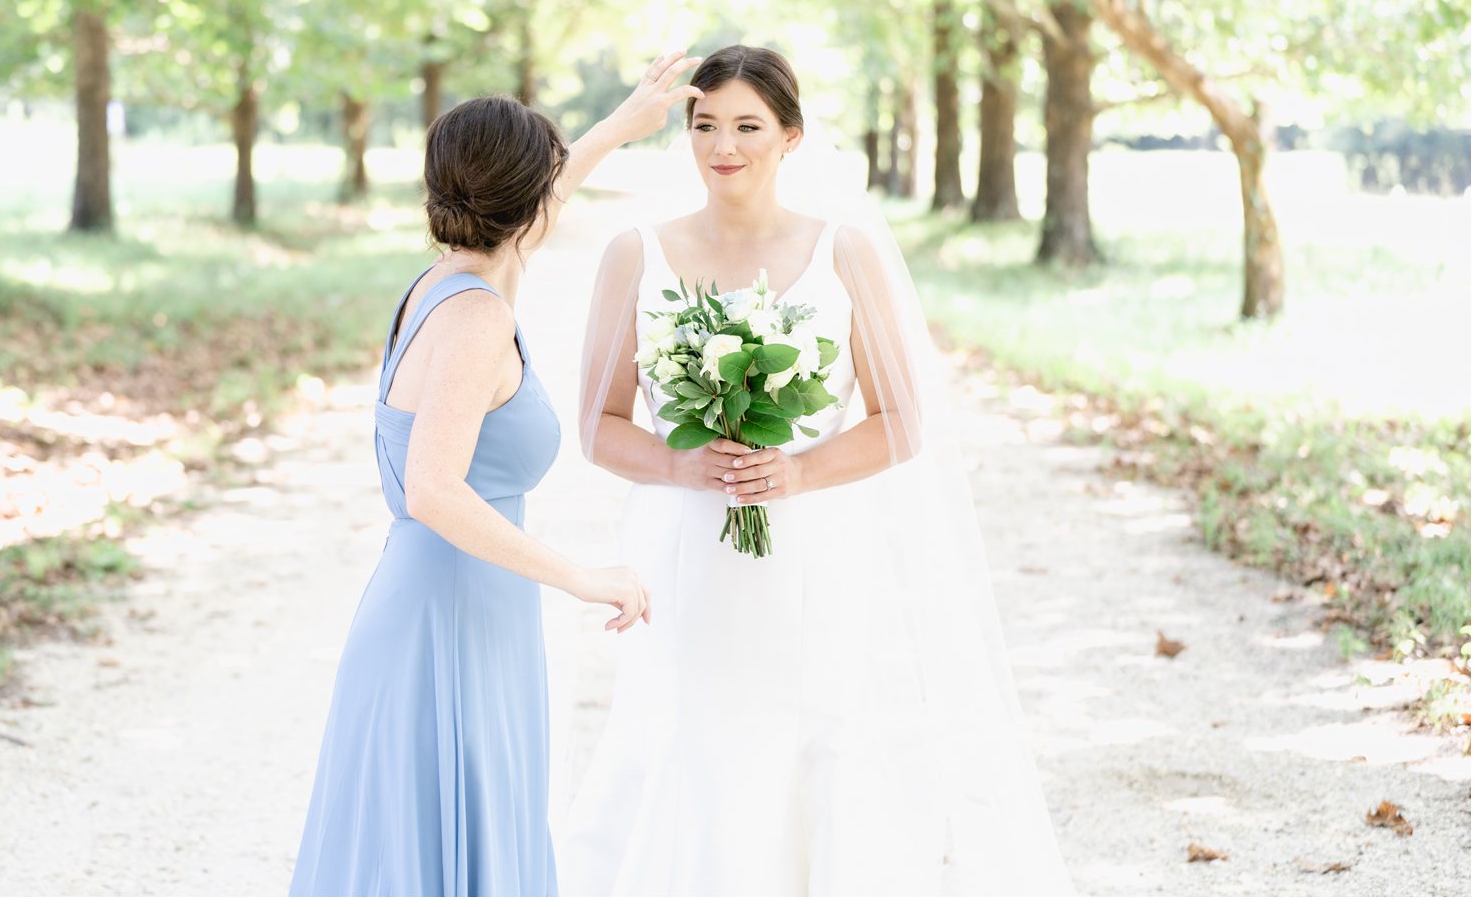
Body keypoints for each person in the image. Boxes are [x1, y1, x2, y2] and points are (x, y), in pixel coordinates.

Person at [562, 44, 1073, 895]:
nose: (724, 145)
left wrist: (795, 475)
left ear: (791, 137)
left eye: (747, 126)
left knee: (814, 738)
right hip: (687, 550)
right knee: (693, 734)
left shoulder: (845, 253)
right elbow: (597, 426)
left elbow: (902, 422)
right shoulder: (635, 254)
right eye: (705, 125)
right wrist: (682, 466)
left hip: (813, 551)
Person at [289, 53, 704, 897]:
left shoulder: (446, 280)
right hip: (444, 619)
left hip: (456, 606)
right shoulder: (477, 318)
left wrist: (623, 123)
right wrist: (583, 576)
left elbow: (541, 192)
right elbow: (433, 490)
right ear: (529, 208)